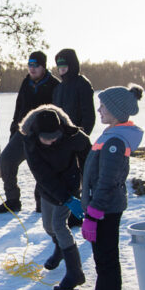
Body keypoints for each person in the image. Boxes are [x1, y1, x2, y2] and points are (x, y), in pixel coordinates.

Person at [76, 84, 144, 290]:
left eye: (103, 106)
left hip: (105, 210)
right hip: (101, 208)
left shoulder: (115, 140)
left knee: (106, 263)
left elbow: (107, 181)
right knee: (102, 262)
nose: (99, 109)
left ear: (115, 110)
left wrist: (93, 214)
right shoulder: (112, 133)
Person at [18, 104, 91, 290]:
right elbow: (42, 175)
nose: (51, 142)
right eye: (46, 139)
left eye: (55, 138)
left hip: (70, 183)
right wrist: (65, 198)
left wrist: (87, 186)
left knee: (59, 225)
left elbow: (89, 157)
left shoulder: (72, 135)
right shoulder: (30, 140)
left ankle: (75, 272)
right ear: (37, 134)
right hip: (48, 187)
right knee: (48, 226)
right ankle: (60, 249)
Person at [0, 51, 58, 214]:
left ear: (43, 67)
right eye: (30, 65)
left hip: (43, 135)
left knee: (41, 168)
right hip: (23, 132)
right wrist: (14, 128)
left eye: (36, 65)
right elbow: (19, 107)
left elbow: (58, 112)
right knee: (6, 159)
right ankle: (13, 201)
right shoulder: (26, 83)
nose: (32, 69)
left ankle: (41, 203)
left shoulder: (54, 85)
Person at [51, 48, 95, 225]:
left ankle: (86, 213)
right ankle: (70, 213)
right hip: (61, 141)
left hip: (78, 140)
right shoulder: (59, 88)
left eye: (64, 64)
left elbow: (88, 115)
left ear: (72, 65)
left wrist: (81, 136)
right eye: (58, 65)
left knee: (85, 179)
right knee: (67, 179)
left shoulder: (82, 84)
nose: (61, 68)